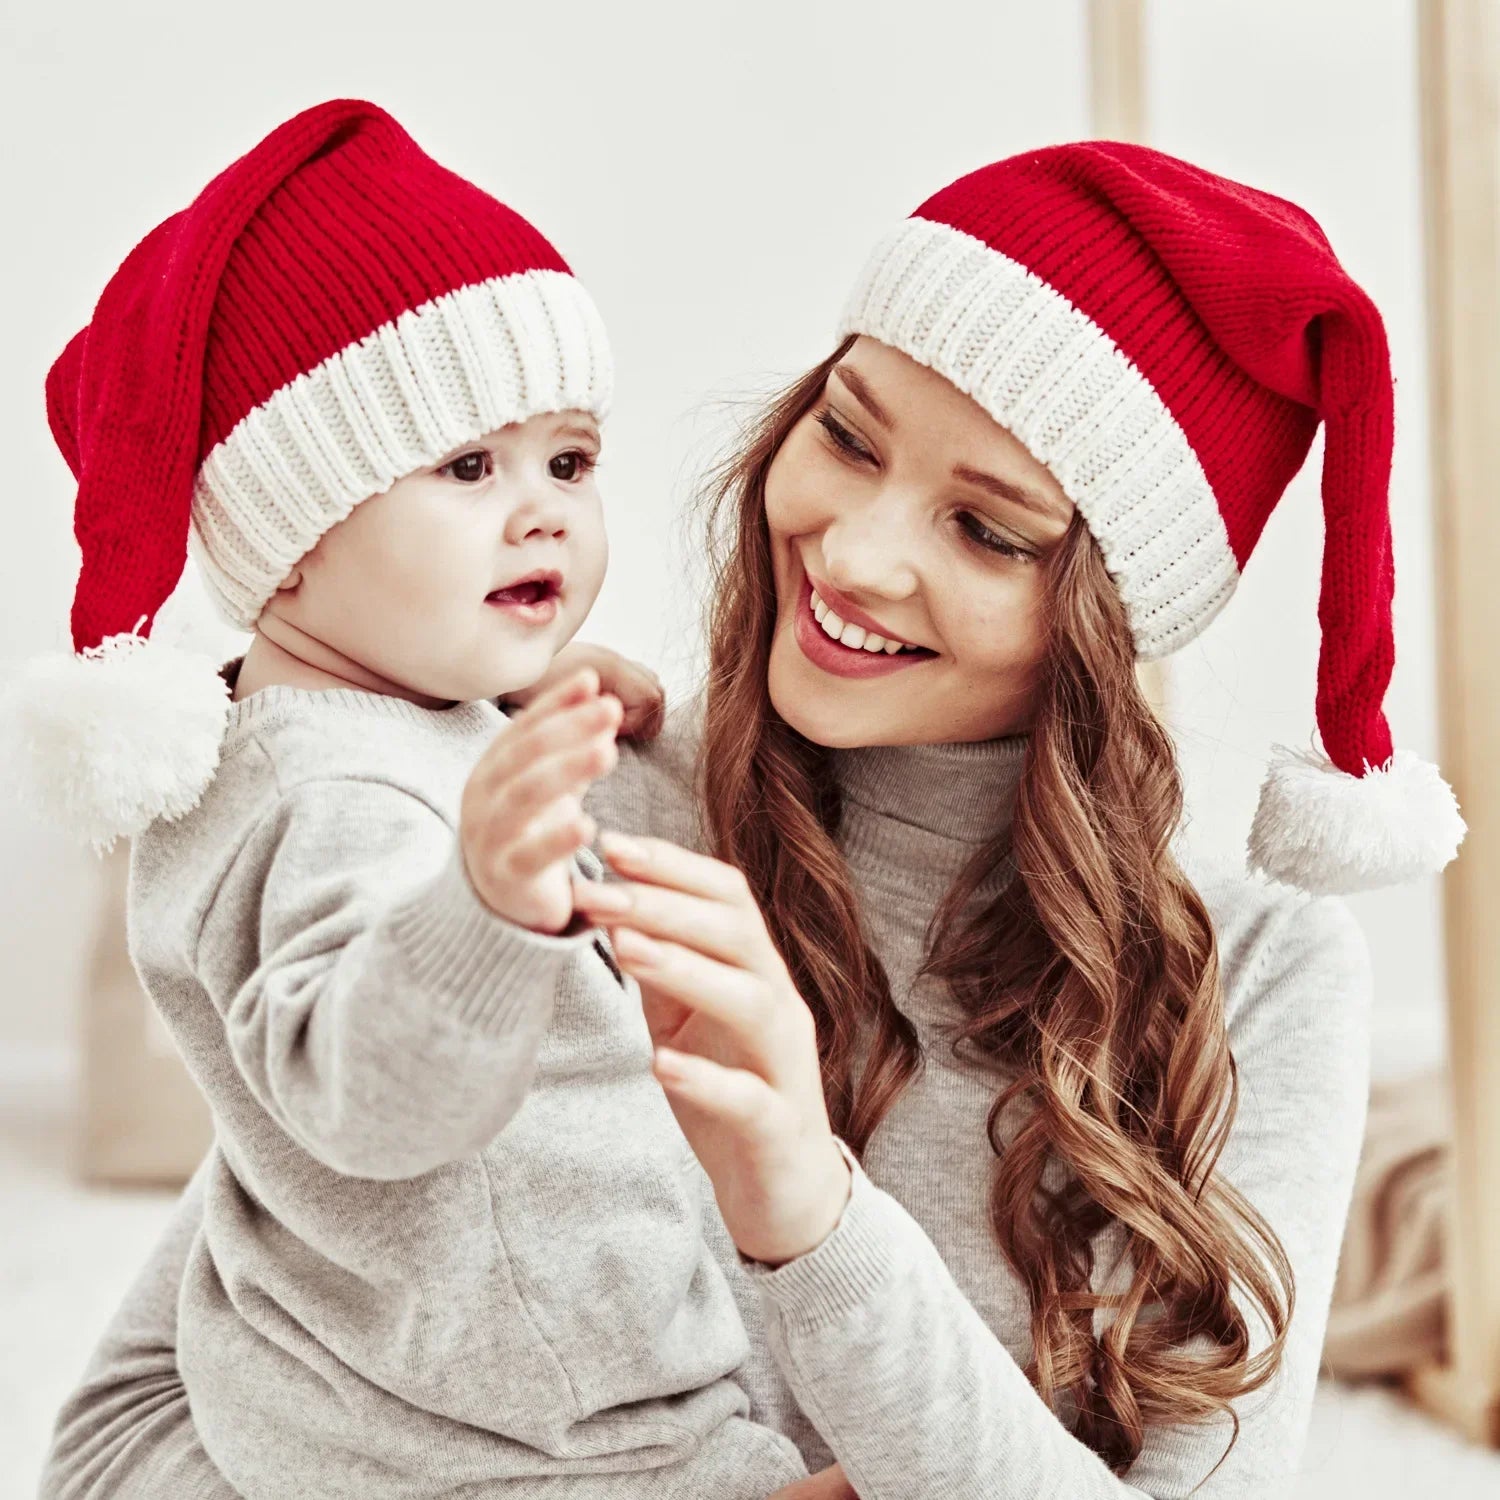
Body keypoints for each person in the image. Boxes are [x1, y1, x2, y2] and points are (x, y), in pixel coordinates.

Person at [39, 142, 1465, 1499]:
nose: (853, 553)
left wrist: (813, 1213)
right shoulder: (561, 824)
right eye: (847, 437)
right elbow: (132, 1433)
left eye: (986, 529)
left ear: (1103, 620)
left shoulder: (1260, 973)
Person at [14, 99, 830, 1500]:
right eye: (469, 469)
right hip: (497, 1435)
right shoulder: (330, 806)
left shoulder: (357, 719)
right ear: (288, 545)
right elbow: (370, 1104)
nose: (547, 515)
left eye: (568, 462)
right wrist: (484, 908)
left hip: (439, 1348)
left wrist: (525, 696)